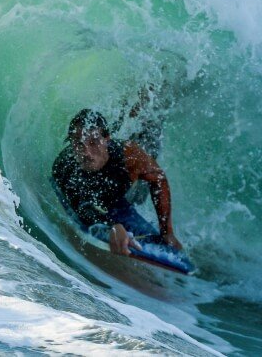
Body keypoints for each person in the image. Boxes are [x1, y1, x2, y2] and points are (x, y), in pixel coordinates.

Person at [52, 109, 182, 256]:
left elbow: (159, 179)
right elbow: (81, 207)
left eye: (93, 142)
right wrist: (111, 227)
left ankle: (149, 105)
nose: (86, 152)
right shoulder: (65, 167)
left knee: (150, 132)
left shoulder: (129, 156)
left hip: (125, 187)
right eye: (78, 143)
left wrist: (167, 232)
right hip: (99, 196)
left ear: (107, 139)